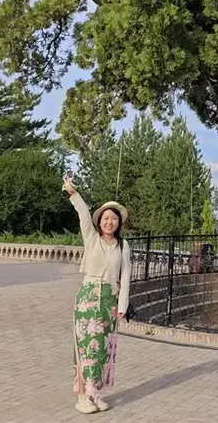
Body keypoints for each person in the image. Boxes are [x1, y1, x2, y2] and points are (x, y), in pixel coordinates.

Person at [62, 174, 131, 415]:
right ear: (99, 222)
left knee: (102, 349)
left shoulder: (123, 246)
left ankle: (96, 393)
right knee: (85, 348)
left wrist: (122, 305)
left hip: (109, 300)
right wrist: (73, 193)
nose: (109, 222)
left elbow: (126, 277)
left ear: (119, 223)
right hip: (88, 298)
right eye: (106, 218)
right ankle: (83, 397)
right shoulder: (92, 240)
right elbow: (82, 214)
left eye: (114, 219)